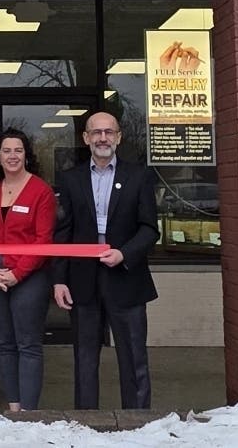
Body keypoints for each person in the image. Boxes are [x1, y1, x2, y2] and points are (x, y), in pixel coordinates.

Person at [52, 111, 159, 410]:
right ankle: (86, 421)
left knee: (134, 356)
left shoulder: (139, 176)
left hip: (127, 278)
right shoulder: (71, 179)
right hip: (83, 281)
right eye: (96, 132)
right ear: (86, 138)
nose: (103, 138)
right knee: (85, 358)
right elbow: (63, 233)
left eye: (109, 132)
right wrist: (59, 279)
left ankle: (138, 421)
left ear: (119, 137)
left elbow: (150, 228)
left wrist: (124, 253)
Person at [0, 128, 55, 412]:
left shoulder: (40, 191)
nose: (12, 155)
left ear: (26, 155)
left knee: (28, 344)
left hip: (29, 277)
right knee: (4, 344)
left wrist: (17, 273)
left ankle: (29, 411)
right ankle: (14, 407)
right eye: (7, 150)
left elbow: (43, 240)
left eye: (18, 150)